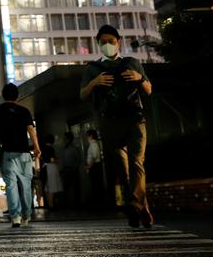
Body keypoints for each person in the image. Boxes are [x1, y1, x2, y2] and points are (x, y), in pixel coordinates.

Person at [80, 24, 154, 229]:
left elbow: (148, 89)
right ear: (98, 44)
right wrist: (95, 82)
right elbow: (82, 94)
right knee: (123, 170)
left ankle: (134, 207)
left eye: (111, 42)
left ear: (118, 42)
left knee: (137, 162)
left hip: (135, 119)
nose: (107, 45)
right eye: (103, 42)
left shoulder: (132, 63)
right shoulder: (93, 69)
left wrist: (139, 79)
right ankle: (141, 207)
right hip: (110, 122)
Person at [0, 83, 41, 228]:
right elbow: (31, 130)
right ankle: (26, 215)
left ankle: (15, 217)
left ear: (3, 95)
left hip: (8, 154)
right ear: (17, 96)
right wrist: (37, 147)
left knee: (11, 186)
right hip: (24, 153)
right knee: (25, 185)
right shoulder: (24, 111)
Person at [59, 131, 83, 209]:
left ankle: (76, 205)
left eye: (65, 138)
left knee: (75, 188)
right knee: (66, 188)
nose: (63, 140)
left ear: (68, 139)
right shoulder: (64, 149)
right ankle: (67, 205)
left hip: (72, 170)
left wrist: (73, 168)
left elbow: (79, 160)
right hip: (66, 170)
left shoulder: (74, 148)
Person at [84, 128, 105, 209]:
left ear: (91, 136)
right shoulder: (93, 144)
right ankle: (98, 202)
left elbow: (95, 156)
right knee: (96, 184)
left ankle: (99, 203)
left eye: (87, 136)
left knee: (96, 184)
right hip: (94, 166)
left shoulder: (94, 144)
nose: (87, 138)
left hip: (95, 167)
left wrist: (89, 166)